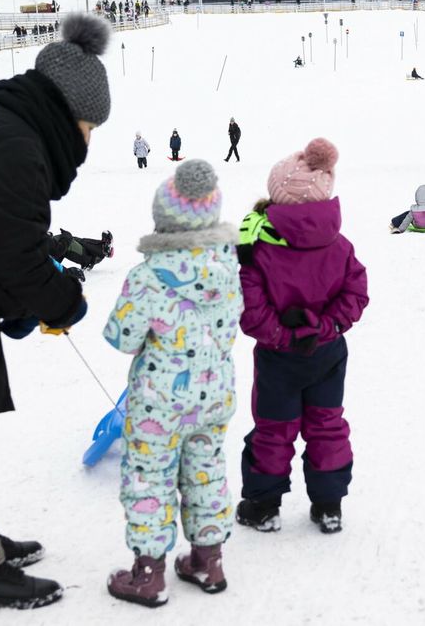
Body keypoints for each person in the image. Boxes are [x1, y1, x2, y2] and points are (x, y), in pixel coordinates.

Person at [0, 13, 110, 612]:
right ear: (68, 111)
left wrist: (15, 301)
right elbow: (15, 257)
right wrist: (62, 301)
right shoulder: (16, 146)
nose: (89, 140)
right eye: (90, 125)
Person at [103, 160, 241, 607]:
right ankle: (208, 558)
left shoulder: (146, 277)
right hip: (214, 394)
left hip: (159, 404)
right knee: (206, 470)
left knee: (150, 477)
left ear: (162, 221)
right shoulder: (228, 267)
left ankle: (148, 574)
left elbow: (122, 337)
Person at [236, 138, 368, 536]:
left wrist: (281, 335)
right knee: (326, 423)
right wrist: (327, 328)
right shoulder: (340, 246)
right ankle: (328, 505)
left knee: (274, 426)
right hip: (326, 352)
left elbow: (250, 307)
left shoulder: (257, 248)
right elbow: (356, 293)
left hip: (279, 357)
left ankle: (263, 505)